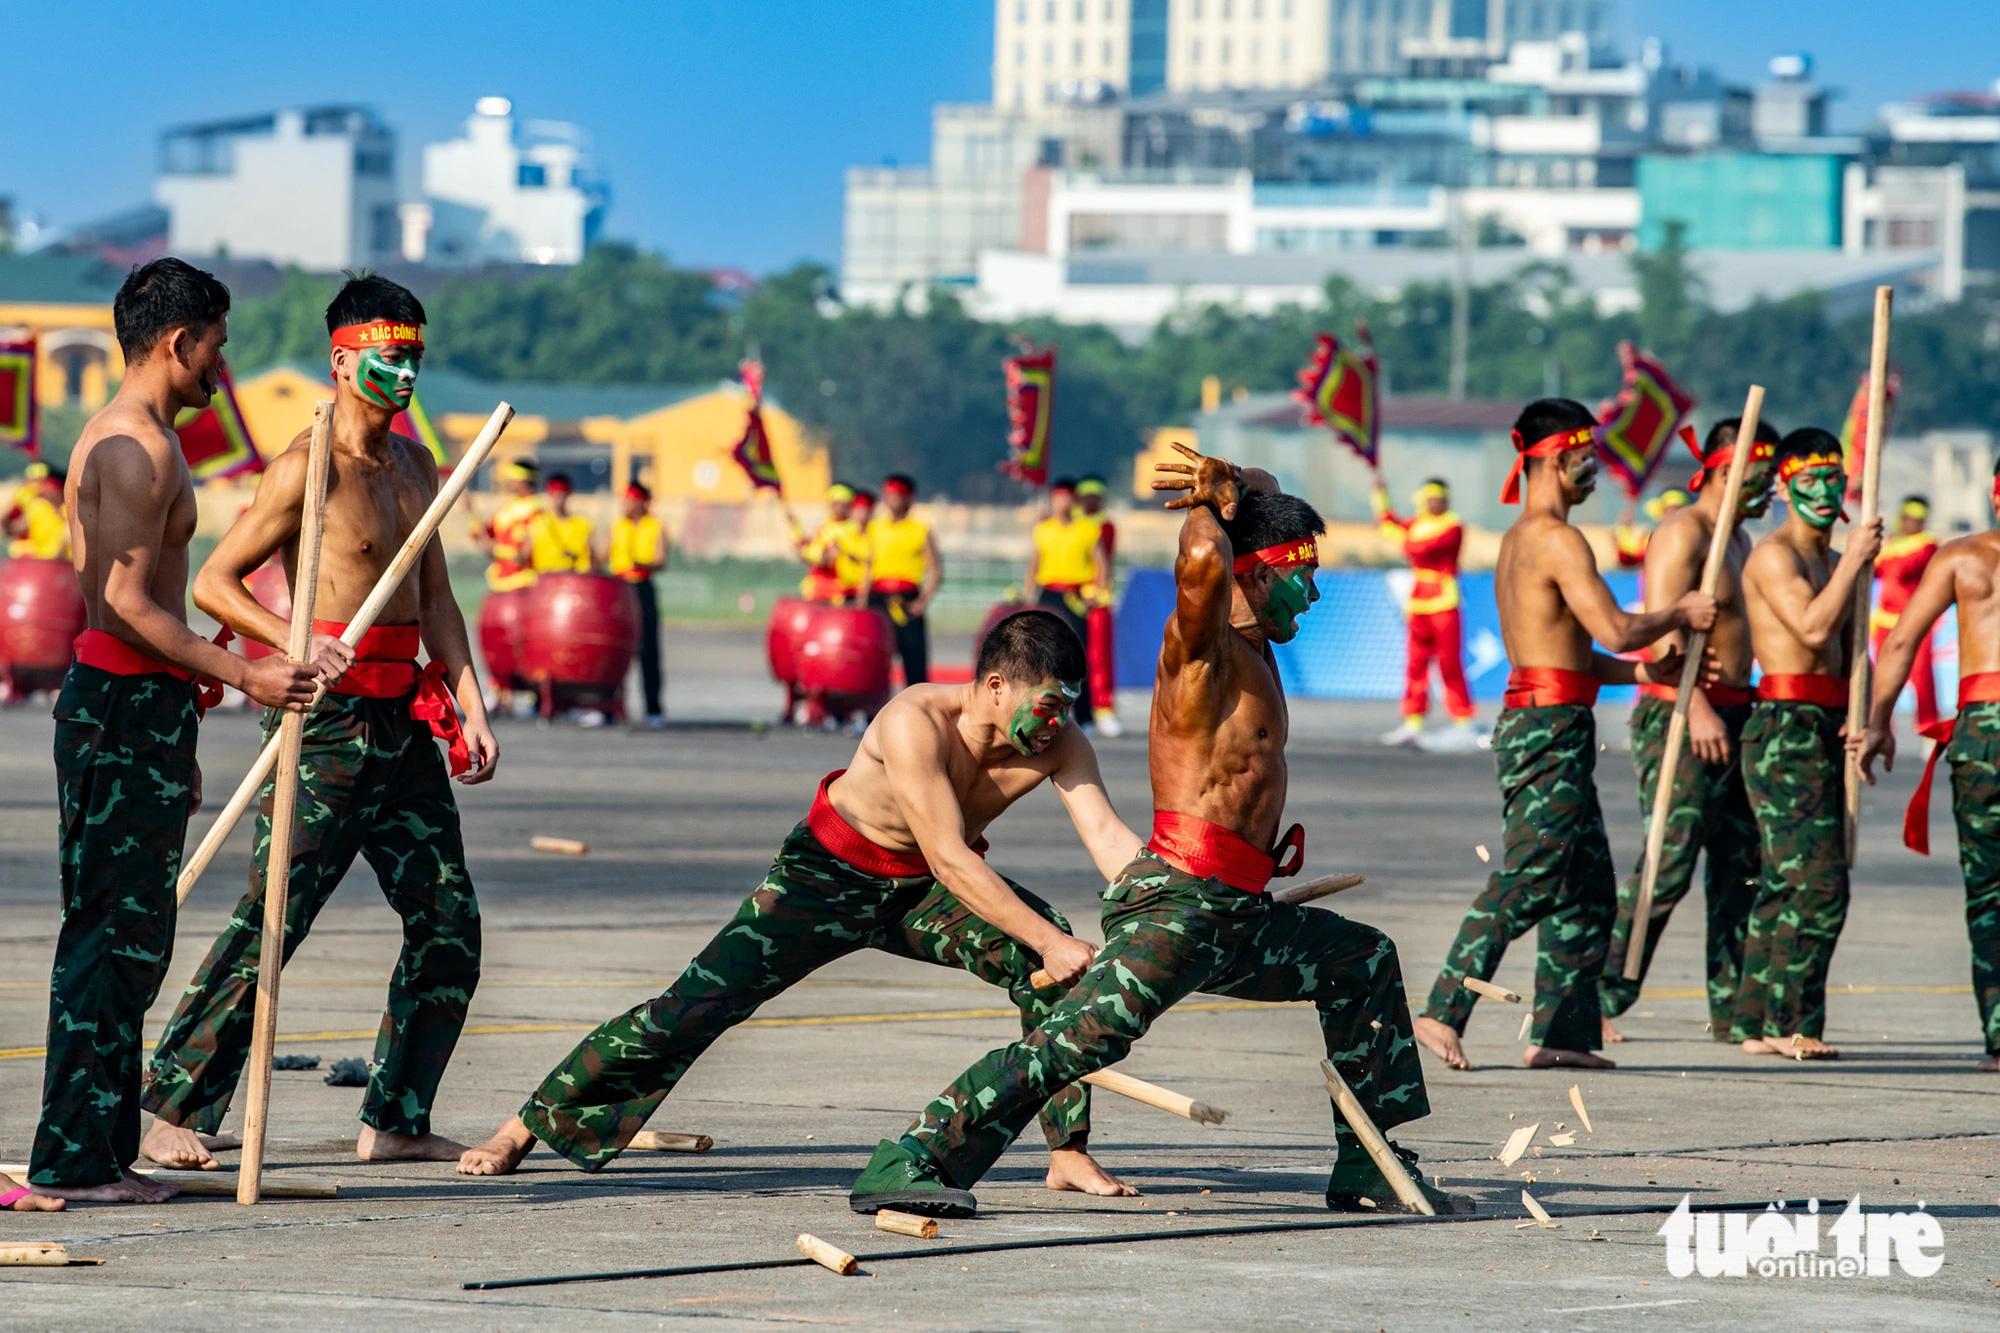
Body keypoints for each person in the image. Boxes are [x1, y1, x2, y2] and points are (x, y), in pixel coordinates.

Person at [848, 443, 1467, 1220]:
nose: (1313, 597)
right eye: (1304, 578)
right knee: (1078, 1042)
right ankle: (913, 1155)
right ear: (1259, 573)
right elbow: (1205, 552)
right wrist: (1211, 502)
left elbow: (1262, 505)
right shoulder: (1200, 651)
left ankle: (1369, 1161)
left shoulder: (1262, 642)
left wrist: (1240, 484)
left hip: (1234, 910)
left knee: (1362, 961)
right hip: (1180, 906)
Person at [457, 610, 1138, 1200]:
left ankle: (1067, 1150)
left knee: (1052, 964)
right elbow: (953, 858)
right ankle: (525, 1124)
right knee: (691, 1008)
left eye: (1070, 706)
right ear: (996, 686)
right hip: (825, 877)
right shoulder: (914, 722)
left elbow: (1108, 836)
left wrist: (1166, 909)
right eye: (1049, 705)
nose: (1057, 723)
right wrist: (1049, 940)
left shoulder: (1059, 744)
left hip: (920, 893)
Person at [141, 274, 501, 1169]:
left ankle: (396, 1116)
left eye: (415, 357)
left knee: (449, 921)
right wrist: (293, 643)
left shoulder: (420, 467)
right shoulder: (307, 465)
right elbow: (214, 583)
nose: (407, 374)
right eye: (390, 357)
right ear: (344, 362)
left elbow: (441, 599)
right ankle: (172, 1108)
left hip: (404, 727)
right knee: (273, 918)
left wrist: (472, 697)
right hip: (326, 723)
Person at [24, 258, 321, 1207]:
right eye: (215, 350)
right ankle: (73, 1157)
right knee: (109, 935)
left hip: (143, 713)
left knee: (138, 937)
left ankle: (106, 1149)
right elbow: (119, 602)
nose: (217, 372)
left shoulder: (147, 439)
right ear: (175, 341)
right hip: (117, 708)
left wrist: (179, 715)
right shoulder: (132, 448)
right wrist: (246, 671)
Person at [1414, 399, 1716, 1074]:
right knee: (1534, 874)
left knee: (1587, 886)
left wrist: (1648, 666)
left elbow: (1584, 655)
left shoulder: (1531, 538)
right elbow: (1614, 627)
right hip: (1545, 729)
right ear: (1554, 459)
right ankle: (1441, 1006)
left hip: (1557, 718)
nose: (1595, 471)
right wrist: (1680, 612)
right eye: (1588, 459)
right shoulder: (1553, 538)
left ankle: (1560, 1032)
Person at [1599, 418, 1779, 1045]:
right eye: (1760, 479)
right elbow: (1665, 630)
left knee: (1740, 866)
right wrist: (1693, 703)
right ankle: (1600, 995)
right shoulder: (1682, 533)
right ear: (1728, 472)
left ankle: (1734, 1012)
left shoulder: (1742, 539)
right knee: (1668, 864)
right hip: (1682, 711)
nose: (1768, 491)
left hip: (1736, 713)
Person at [1729, 428, 1881, 1060]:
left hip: (1822, 726)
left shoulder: (1834, 560)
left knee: (1785, 886)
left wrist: (1865, 716)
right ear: (1786, 486)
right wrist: (1854, 560)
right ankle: (1793, 1022)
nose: (1824, 491)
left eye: (1833, 478)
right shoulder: (1777, 555)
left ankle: (1753, 1023)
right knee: (1819, 885)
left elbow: (1853, 651)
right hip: (1783, 729)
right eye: (1810, 480)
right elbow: (1814, 628)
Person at [1854, 462, 2000, 1070]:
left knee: (1989, 892)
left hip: (1982, 735)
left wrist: (1879, 721)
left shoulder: (1964, 557)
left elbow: (1900, 641)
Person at [1372, 475, 1477, 750]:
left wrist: (1402, 539)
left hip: (1444, 600)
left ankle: (1463, 720)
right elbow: (1388, 526)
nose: (1434, 503)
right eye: (1430, 498)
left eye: (1439, 498)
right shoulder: (1417, 524)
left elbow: (1419, 546)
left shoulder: (1452, 526)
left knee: (1449, 664)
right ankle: (1413, 721)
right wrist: (1380, 497)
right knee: (1416, 663)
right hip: (1419, 601)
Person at [1025, 477, 1107, 723]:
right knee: (1043, 654)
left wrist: (1095, 592)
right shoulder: (1043, 529)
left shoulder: (1088, 529)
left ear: (1075, 500)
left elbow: (1102, 565)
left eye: (1068, 497)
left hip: (1076, 596)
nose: (1063, 502)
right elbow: (1034, 564)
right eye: (1059, 497)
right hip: (1048, 594)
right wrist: (1028, 595)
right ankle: (1042, 710)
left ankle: (1084, 715)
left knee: (1077, 655)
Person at [1871, 495, 1941, 733]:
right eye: (1908, 518)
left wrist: (1885, 552)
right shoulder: (1891, 545)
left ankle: (1927, 728)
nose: (1911, 523)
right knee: (1881, 678)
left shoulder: (1928, 545)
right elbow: (1874, 572)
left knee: (1921, 678)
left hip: (1914, 621)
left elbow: (1901, 570)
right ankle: (1880, 727)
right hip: (1884, 621)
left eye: (1916, 519)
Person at [865, 473, 940, 687]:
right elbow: (868, 568)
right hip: (878, 598)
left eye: (896, 495)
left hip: (906, 598)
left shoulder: (920, 530)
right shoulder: (875, 528)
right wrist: (862, 602)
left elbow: (935, 570)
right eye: (887, 495)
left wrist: (921, 602)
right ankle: (873, 711)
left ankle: (917, 708)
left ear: (908, 498)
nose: (891, 500)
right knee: (874, 657)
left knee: (914, 657)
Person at [609, 481, 668, 726]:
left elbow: (661, 560)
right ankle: (611, 706)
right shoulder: (618, 526)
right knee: (613, 649)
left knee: (648, 651)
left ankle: (653, 708)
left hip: (642, 588)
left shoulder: (655, 526)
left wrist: (643, 563)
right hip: (619, 588)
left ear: (643, 502)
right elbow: (604, 554)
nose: (626, 505)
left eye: (631, 500)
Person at [1075, 475, 1123, 738]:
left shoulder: (1104, 525)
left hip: (1097, 597)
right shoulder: (1068, 523)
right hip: (1071, 595)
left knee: (1100, 656)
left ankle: (1103, 707)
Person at [470, 458, 549, 592]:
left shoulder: (536, 512)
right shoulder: (506, 508)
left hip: (523, 583)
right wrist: (470, 511)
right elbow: (486, 536)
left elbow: (523, 556)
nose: (508, 482)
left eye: (513, 478)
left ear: (525, 481)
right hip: (499, 582)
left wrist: (496, 549)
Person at [795, 482, 858, 603]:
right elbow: (813, 553)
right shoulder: (823, 529)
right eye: (835, 504)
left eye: (842, 504)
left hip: (844, 586)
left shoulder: (855, 529)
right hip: (820, 587)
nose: (838, 508)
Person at [531, 472, 594, 573]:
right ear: (549, 495)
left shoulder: (583, 525)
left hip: (574, 579)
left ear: (568, 495)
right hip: (546, 579)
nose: (558, 501)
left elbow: (592, 557)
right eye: (554, 496)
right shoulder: (539, 522)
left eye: (561, 496)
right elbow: (526, 552)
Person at [5, 461, 70, 560]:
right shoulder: (37, 508)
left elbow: (67, 538)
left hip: (65, 566)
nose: (42, 489)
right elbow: (12, 530)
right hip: (42, 565)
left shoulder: (70, 510)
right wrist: (10, 509)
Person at [1614, 489, 1690, 570]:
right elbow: (1630, 559)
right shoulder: (1652, 537)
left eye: (1677, 510)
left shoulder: (1691, 538)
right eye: (1668, 510)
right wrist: (1624, 530)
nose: (1672, 514)